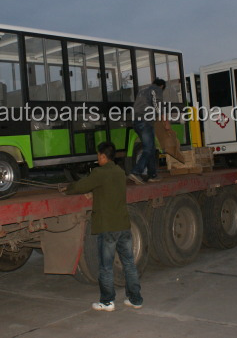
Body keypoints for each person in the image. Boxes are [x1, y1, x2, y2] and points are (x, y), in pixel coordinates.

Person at [60, 142, 143, 311]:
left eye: (98, 155)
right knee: (129, 264)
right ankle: (136, 299)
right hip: (123, 225)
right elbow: (106, 190)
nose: (97, 158)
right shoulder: (120, 173)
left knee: (106, 266)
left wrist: (67, 189)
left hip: (108, 227)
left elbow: (82, 185)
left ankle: (107, 301)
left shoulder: (100, 172)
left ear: (103, 156)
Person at [128, 78, 167, 184]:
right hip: (145, 122)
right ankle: (136, 172)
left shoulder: (142, 91)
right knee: (148, 149)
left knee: (151, 148)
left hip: (137, 122)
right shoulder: (156, 89)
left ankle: (152, 175)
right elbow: (158, 104)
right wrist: (165, 121)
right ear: (161, 86)